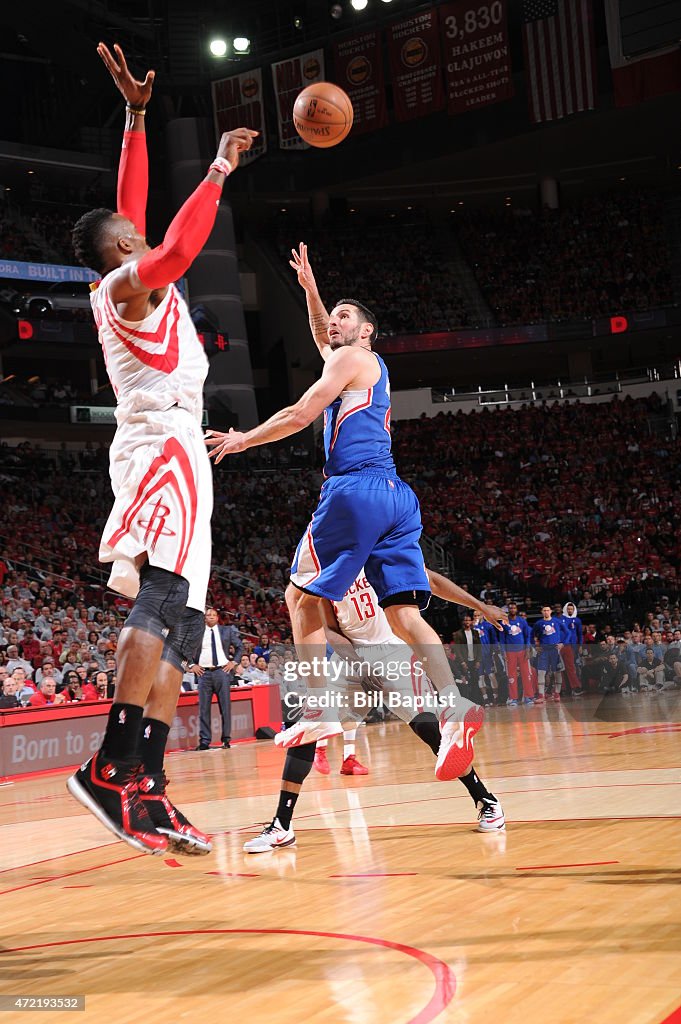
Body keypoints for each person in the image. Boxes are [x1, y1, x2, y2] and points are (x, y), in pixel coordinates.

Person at [66, 41, 258, 856]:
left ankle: (148, 786)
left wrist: (136, 119)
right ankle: (109, 766)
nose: (142, 235)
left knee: (183, 621)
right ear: (119, 252)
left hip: (173, 441)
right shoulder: (124, 285)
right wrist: (215, 171)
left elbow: (129, 205)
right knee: (163, 599)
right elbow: (172, 248)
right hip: (161, 442)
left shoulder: (122, 272)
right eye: (131, 235)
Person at [207, 243, 484, 782]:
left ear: (366, 331)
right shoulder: (363, 362)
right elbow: (322, 338)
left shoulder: (350, 358)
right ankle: (455, 707)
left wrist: (244, 440)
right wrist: (312, 290)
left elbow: (300, 412)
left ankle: (317, 710)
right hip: (397, 496)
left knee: (298, 596)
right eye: (331, 317)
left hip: (354, 490)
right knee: (406, 614)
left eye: (344, 317)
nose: (333, 324)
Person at [244, 566, 507, 853]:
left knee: (429, 729)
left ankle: (485, 799)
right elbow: (330, 629)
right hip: (350, 657)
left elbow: (431, 581)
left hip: (393, 652)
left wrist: (480, 606)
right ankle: (281, 825)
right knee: (310, 724)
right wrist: (357, 660)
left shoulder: (384, 554)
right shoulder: (329, 565)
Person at [190, 607, 242, 750]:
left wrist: (233, 662)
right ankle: (205, 741)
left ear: (218, 618)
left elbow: (240, 646)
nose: (211, 617)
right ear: (204, 618)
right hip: (203, 674)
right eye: (208, 615)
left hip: (222, 672)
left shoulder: (227, 631)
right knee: (203, 709)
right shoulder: (198, 632)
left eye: (214, 615)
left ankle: (226, 739)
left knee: (225, 707)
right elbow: (185, 648)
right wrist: (191, 664)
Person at [499, 602, 535, 706]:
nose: (512, 610)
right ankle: (513, 698)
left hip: (522, 651)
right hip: (510, 652)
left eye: (514, 608)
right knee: (511, 676)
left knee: (526, 675)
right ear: (508, 610)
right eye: (510, 608)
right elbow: (502, 639)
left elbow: (527, 637)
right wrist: (503, 652)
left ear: (516, 609)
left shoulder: (522, 621)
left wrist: (527, 649)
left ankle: (528, 697)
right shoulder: (504, 622)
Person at [532, 606, 566, 704]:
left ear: (551, 611)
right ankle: (541, 695)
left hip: (555, 650)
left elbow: (567, 632)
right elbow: (531, 635)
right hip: (544, 651)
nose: (546, 612)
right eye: (544, 610)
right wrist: (535, 646)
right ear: (541, 612)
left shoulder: (557, 621)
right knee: (541, 672)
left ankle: (557, 694)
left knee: (557, 672)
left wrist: (563, 643)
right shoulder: (538, 623)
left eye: (548, 610)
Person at [560, 602, 584, 697]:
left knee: (572, 667)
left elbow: (580, 634)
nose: (570, 610)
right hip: (564, 645)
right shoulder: (561, 619)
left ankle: (574, 687)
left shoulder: (577, 620)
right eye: (568, 609)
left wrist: (580, 645)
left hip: (574, 646)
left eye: (571, 609)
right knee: (563, 667)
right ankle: (566, 688)